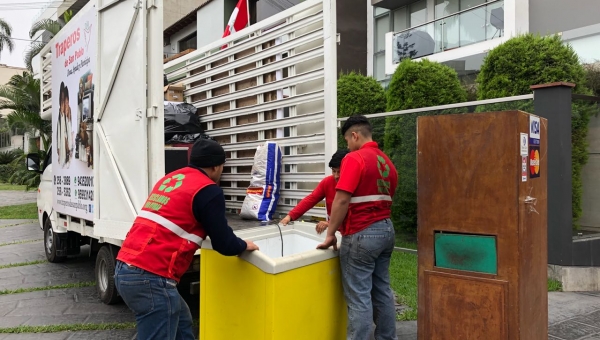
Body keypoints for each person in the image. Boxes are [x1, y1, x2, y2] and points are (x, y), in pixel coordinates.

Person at [114, 138, 260, 340]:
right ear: (216, 166)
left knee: (182, 323)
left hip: (125, 268)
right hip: (152, 277)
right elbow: (223, 243)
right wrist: (244, 245)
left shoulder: (171, 178)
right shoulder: (208, 190)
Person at [317, 115, 398, 340]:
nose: (347, 147)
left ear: (355, 135)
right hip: (386, 230)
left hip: (362, 233)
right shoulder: (387, 162)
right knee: (382, 292)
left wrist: (331, 233)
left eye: (347, 141)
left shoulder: (354, 159)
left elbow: (342, 200)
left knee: (359, 297)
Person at [280, 149, 349, 232]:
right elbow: (311, 199)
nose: (336, 176)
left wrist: (330, 223)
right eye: (334, 171)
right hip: (334, 230)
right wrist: (290, 216)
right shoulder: (328, 182)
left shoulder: (355, 184)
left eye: (339, 172)